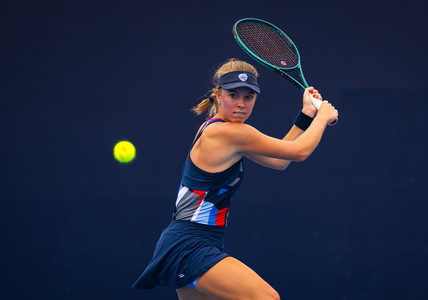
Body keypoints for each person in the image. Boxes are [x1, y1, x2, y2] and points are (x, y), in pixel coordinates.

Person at [132, 58, 338, 300]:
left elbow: (279, 160)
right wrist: (322, 117)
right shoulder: (229, 133)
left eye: (248, 97)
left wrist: (306, 115)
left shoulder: (224, 131)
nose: (241, 104)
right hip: (190, 244)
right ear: (218, 95)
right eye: (233, 95)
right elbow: (299, 152)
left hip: (191, 241)